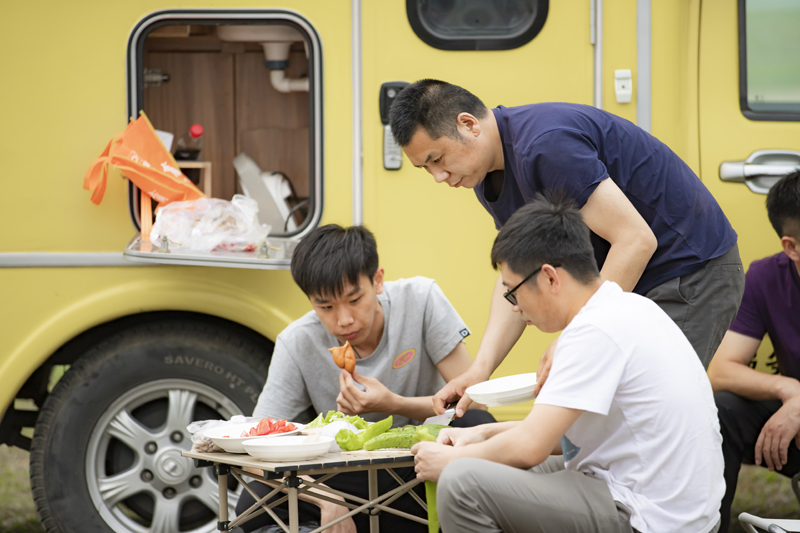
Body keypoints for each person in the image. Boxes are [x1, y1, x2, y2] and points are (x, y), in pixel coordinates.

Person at [389, 79, 744, 416]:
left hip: (688, 270)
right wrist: (480, 370)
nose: (438, 177)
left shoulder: (546, 146)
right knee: (602, 416)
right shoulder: (482, 175)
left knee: (648, 413)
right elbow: (516, 275)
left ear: (468, 125)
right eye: (426, 169)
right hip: (630, 280)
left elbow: (635, 240)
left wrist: (578, 335)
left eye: (438, 159)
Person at [411, 197, 724, 533]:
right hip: (665, 503)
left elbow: (531, 446)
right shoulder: (626, 308)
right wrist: (481, 433)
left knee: (460, 482)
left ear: (549, 278)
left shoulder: (593, 331)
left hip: (650, 518)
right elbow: (558, 435)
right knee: (492, 466)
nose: (514, 307)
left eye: (513, 292)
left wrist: (450, 460)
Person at [236, 223, 494, 533]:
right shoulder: (297, 342)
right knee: (253, 501)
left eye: (355, 300)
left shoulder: (420, 300)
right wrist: (327, 500)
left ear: (378, 280)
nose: (344, 320)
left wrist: (394, 404)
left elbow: (475, 403)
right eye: (325, 306)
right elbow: (254, 447)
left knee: (476, 425)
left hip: (422, 461)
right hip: (345, 475)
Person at [708, 170, 800, 533]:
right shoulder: (766, 278)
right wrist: (789, 390)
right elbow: (720, 370)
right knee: (722, 408)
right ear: (792, 247)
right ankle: (706, 526)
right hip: (792, 421)